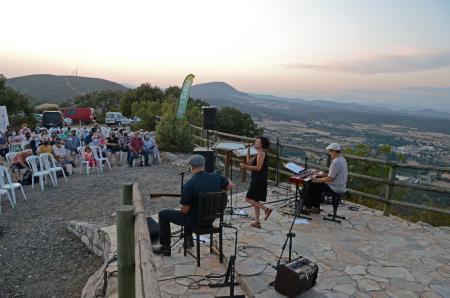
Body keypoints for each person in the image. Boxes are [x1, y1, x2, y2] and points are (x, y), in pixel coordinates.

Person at [153, 155, 234, 256]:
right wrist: (220, 191)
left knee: (163, 214)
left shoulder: (189, 185)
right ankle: (188, 241)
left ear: (191, 167)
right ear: (204, 165)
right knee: (193, 211)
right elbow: (230, 185)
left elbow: (184, 211)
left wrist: (182, 204)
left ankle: (165, 247)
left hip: (196, 222)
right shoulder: (216, 178)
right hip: (211, 220)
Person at [302, 143, 348, 214]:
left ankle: (307, 207)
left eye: (330, 151)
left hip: (335, 187)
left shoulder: (336, 162)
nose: (329, 153)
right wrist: (320, 175)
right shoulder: (342, 159)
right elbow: (333, 174)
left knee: (310, 184)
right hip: (340, 186)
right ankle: (316, 207)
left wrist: (317, 180)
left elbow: (330, 178)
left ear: (334, 151)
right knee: (315, 185)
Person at [240, 136, 272, 228]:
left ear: (261, 144)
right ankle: (257, 222)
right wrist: (248, 150)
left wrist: (244, 167)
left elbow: (258, 168)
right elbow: (249, 162)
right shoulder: (258, 154)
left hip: (259, 179)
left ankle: (266, 209)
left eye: (257, 141)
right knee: (255, 200)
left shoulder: (261, 153)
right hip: (257, 178)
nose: (255, 142)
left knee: (248, 199)